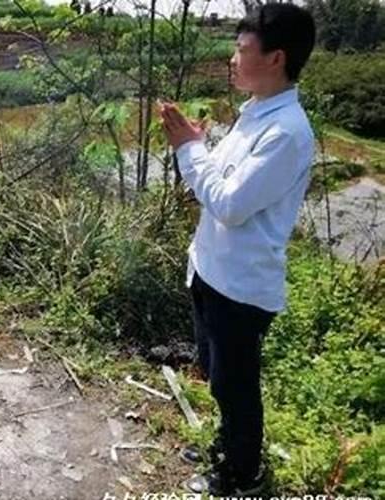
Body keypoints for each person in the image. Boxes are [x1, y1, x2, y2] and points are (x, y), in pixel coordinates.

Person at [158, 4, 317, 496]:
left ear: (276, 59)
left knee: (236, 385)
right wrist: (201, 147)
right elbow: (221, 180)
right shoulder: (253, 116)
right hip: (210, 270)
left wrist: (189, 148)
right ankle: (227, 445)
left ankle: (243, 473)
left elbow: (228, 203)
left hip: (241, 288)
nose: (232, 59)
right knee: (215, 371)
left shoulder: (286, 133)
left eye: (242, 49)